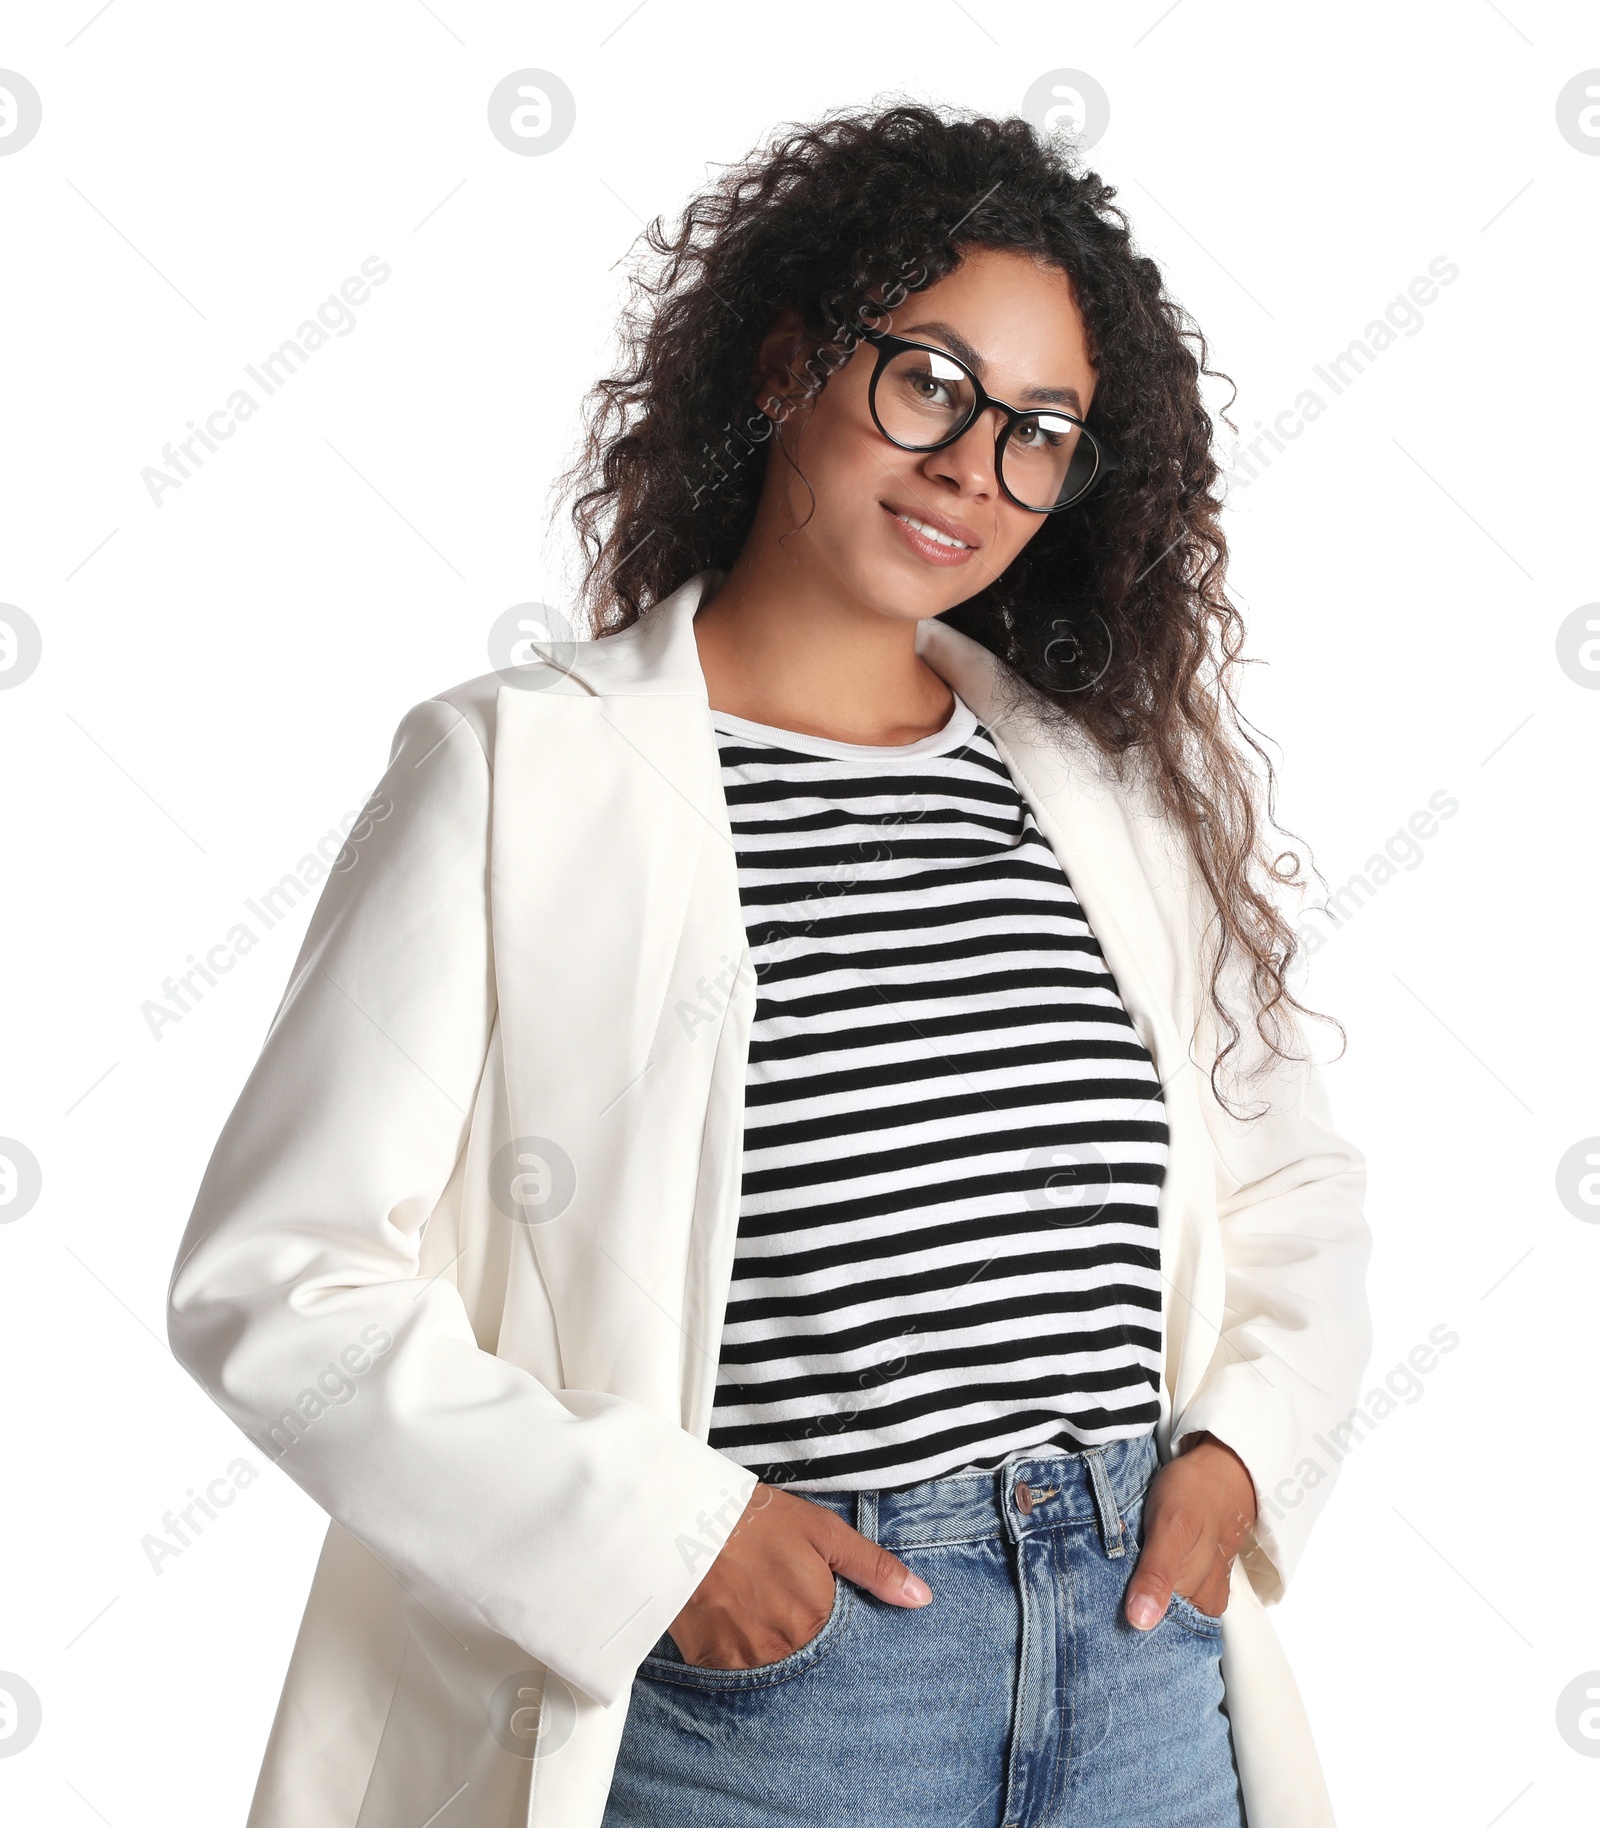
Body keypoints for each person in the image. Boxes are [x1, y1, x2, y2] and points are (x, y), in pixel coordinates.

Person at [167, 104, 1372, 1828]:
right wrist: (671, 1543)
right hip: (778, 1708)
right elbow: (281, 1285)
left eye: (1042, 430)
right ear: (786, 363)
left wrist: (1238, 1464)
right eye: (929, 382)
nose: (975, 463)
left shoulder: (1103, 793)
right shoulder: (519, 775)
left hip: (1139, 1671)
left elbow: (1297, 1189)